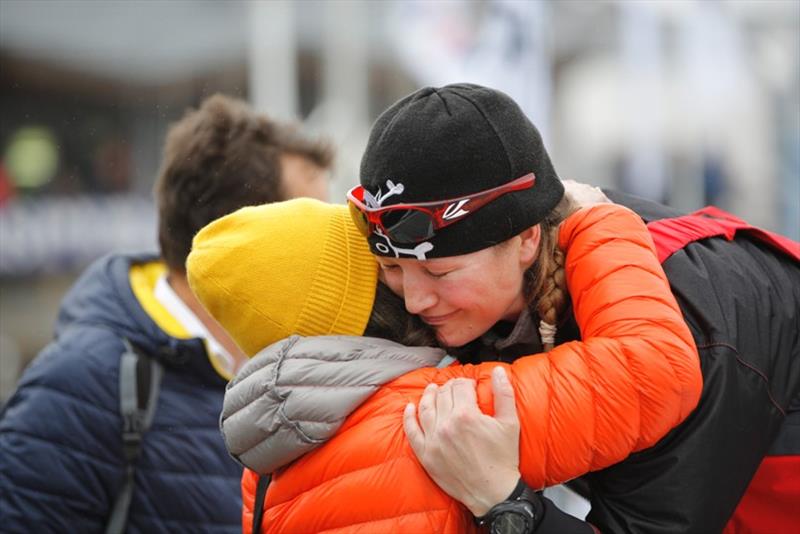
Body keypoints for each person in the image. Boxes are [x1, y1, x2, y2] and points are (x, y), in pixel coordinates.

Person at [351, 83, 800, 533]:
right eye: (391, 267)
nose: (413, 299)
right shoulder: (507, 268)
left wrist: (505, 504)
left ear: (526, 240)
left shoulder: (693, 332)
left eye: (440, 274)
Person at [186, 195, 701, 533]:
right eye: (389, 267)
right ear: (368, 302)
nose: (416, 291)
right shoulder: (441, 413)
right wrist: (598, 223)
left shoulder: (266, 468)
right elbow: (650, 371)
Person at [0, 94, 333, 532]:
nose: (332, 255)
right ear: (236, 242)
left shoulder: (305, 366)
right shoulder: (81, 383)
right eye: (311, 232)